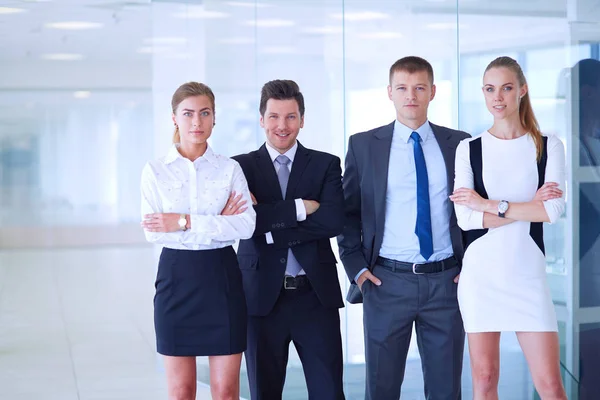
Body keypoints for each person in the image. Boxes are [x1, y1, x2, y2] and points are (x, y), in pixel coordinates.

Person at [338, 56, 469, 400]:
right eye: (402, 88)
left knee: (446, 391)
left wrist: (470, 265)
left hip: (446, 284)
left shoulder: (460, 144)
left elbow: (473, 210)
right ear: (390, 93)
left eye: (419, 88)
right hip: (386, 283)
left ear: (433, 92)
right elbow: (348, 212)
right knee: (381, 390)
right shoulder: (364, 146)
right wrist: (357, 269)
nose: (411, 95)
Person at [450, 56, 567, 400]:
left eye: (506, 88)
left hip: (528, 275)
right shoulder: (468, 149)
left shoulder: (548, 145)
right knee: (485, 380)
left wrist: (489, 204)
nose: (497, 97)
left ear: (522, 91)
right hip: (481, 277)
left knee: (550, 385)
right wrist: (529, 206)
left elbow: (553, 210)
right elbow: (464, 219)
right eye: (489, 89)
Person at [140, 81, 256, 400]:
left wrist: (181, 221)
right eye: (188, 113)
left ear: (214, 119)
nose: (197, 122)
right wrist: (219, 220)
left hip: (222, 277)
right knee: (181, 391)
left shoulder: (229, 169)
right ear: (174, 118)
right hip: (176, 279)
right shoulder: (155, 171)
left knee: (226, 391)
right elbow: (153, 231)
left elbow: (245, 226)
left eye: (205, 113)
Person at [233, 79, 345, 400]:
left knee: (329, 393)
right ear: (261, 119)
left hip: (315, 298)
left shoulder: (325, 164)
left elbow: (332, 221)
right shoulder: (240, 168)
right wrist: (300, 209)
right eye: (274, 117)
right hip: (261, 301)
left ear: (302, 119)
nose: (282, 126)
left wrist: (269, 226)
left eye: (291, 117)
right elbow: (245, 224)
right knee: (264, 392)